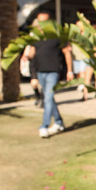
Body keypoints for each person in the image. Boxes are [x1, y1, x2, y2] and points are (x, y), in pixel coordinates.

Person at [28, 9, 73, 138]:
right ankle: (59, 122)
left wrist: (70, 70)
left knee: (47, 98)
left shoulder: (57, 35)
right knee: (49, 99)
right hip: (40, 72)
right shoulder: (36, 36)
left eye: (44, 21)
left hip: (53, 72)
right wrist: (33, 76)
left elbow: (67, 53)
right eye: (39, 21)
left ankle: (44, 126)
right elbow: (32, 56)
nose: (41, 24)